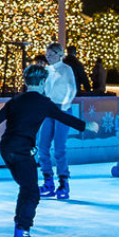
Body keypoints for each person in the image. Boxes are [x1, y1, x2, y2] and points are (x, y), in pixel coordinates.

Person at [0, 64, 98, 237]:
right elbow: (64, 117)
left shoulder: (16, 100)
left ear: (25, 82)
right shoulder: (44, 102)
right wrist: (86, 125)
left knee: (27, 189)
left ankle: (21, 235)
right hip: (20, 151)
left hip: (7, 149)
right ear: (44, 82)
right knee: (32, 193)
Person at [38, 42, 78, 200]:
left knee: (59, 147)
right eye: (47, 55)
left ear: (59, 54)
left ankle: (63, 182)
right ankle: (48, 181)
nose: (48, 57)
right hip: (49, 110)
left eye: (51, 55)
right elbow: (43, 90)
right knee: (43, 146)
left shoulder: (67, 69)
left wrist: (64, 105)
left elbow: (72, 88)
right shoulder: (46, 71)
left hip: (62, 110)